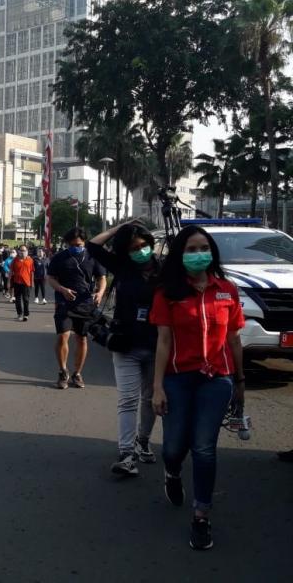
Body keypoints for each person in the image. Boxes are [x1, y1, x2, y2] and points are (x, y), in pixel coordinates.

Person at [150, 225, 245, 551]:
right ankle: (172, 472)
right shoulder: (167, 293)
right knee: (174, 447)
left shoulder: (227, 290)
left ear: (212, 252)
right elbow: (163, 342)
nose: (198, 254)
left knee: (204, 447)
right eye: (191, 249)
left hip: (216, 379)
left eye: (203, 248)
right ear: (180, 254)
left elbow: (234, 339)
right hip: (178, 379)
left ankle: (201, 516)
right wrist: (157, 387)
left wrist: (240, 381)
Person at [88, 220, 162, 477]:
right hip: (125, 344)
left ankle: (143, 440)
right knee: (128, 399)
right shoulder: (122, 267)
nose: (139, 251)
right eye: (133, 248)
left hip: (158, 345)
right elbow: (93, 246)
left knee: (151, 399)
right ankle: (126, 453)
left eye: (142, 245)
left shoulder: (166, 270)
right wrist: (120, 228)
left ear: (151, 244)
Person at [46, 227, 107, 390]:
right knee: (63, 336)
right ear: (67, 243)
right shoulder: (59, 258)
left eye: (78, 244)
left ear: (84, 242)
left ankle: (77, 373)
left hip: (85, 304)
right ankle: (63, 371)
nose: (75, 247)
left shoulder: (92, 257)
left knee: (82, 338)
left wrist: (100, 292)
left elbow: (102, 278)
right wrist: (62, 289)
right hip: (64, 303)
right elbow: (50, 278)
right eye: (72, 245)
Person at [10, 245, 34, 322]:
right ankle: (19, 314)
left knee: (26, 299)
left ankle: (26, 314)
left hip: (26, 283)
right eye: (21, 250)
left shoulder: (30, 260)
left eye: (24, 250)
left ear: (27, 251)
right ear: (18, 251)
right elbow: (11, 271)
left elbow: (32, 272)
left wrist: (32, 283)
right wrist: (9, 282)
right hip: (17, 282)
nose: (22, 252)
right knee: (18, 300)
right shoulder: (15, 260)